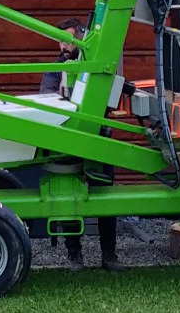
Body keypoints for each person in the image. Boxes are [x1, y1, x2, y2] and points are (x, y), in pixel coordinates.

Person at [41, 18, 122, 271]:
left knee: (105, 195)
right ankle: (74, 254)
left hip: (97, 138)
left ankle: (109, 255)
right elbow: (46, 94)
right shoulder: (56, 66)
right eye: (60, 40)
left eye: (68, 40)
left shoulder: (95, 66)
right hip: (67, 141)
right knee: (68, 197)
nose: (63, 46)